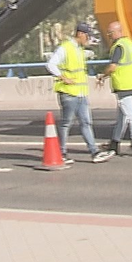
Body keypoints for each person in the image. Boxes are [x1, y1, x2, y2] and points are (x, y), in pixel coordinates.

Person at [46, 21, 99, 164]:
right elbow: (50, 64)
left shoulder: (79, 49)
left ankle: (94, 151)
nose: (88, 39)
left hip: (81, 93)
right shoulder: (66, 47)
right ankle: (62, 153)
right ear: (80, 34)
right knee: (66, 123)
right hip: (68, 93)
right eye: (87, 36)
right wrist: (63, 77)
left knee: (86, 122)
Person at [96, 20, 132, 159]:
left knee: (130, 114)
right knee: (122, 116)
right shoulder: (130, 44)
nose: (109, 36)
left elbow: (113, 67)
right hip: (131, 83)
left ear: (117, 32)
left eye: (110, 33)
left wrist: (102, 76)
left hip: (123, 85)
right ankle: (115, 142)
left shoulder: (118, 46)